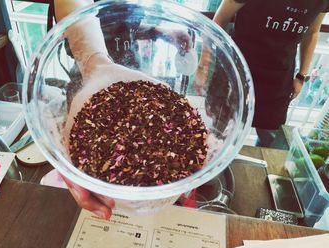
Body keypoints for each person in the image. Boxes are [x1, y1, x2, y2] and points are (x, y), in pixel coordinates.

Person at [53, 0, 192, 219]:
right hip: (87, 84)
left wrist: (158, 31)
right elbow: (73, 5)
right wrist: (96, 67)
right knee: (99, 199)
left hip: (129, 72)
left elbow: (124, 19)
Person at [211, 0, 328, 147]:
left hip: (279, 76)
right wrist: (207, 63)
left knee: (270, 136)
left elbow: (312, 32)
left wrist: (301, 76)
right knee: (221, 129)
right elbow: (220, 20)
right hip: (237, 70)